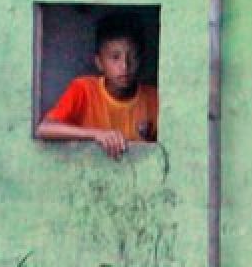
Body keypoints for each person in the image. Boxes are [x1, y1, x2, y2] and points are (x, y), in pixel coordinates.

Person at [35, 13, 159, 160]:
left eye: (133, 57)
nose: (125, 66)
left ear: (142, 59)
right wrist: (97, 134)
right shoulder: (84, 89)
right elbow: (44, 129)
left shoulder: (153, 98)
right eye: (115, 57)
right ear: (99, 62)